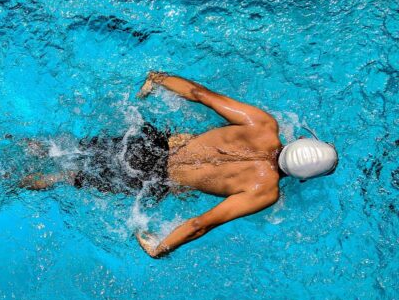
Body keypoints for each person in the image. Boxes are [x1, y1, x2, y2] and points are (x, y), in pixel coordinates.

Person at [20, 72, 338, 258]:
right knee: (68, 176)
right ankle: (11, 181)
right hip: (153, 179)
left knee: (65, 149)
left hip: (151, 143)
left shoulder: (262, 124)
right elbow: (201, 224)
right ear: (304, 178)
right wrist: (161, 247)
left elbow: (201, 94)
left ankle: (21, 144)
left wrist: (158, 79)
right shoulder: (264, 191)